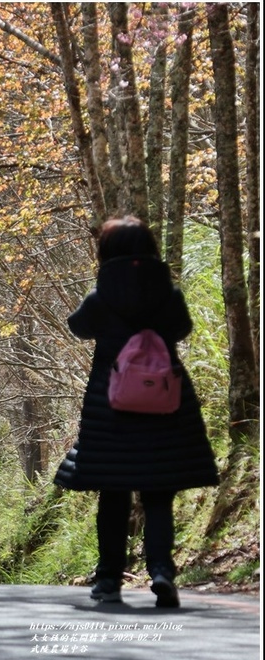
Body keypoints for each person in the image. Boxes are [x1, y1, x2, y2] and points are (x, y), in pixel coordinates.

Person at [52, 215, 219, 608]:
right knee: (159, 494)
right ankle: (161, 571)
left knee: (114, 495)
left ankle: (109, 580)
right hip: (163, 404)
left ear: (106, 252)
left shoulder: (101, 296)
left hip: (112, 410)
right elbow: (181, 329)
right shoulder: (168, 294)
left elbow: (78, 327)